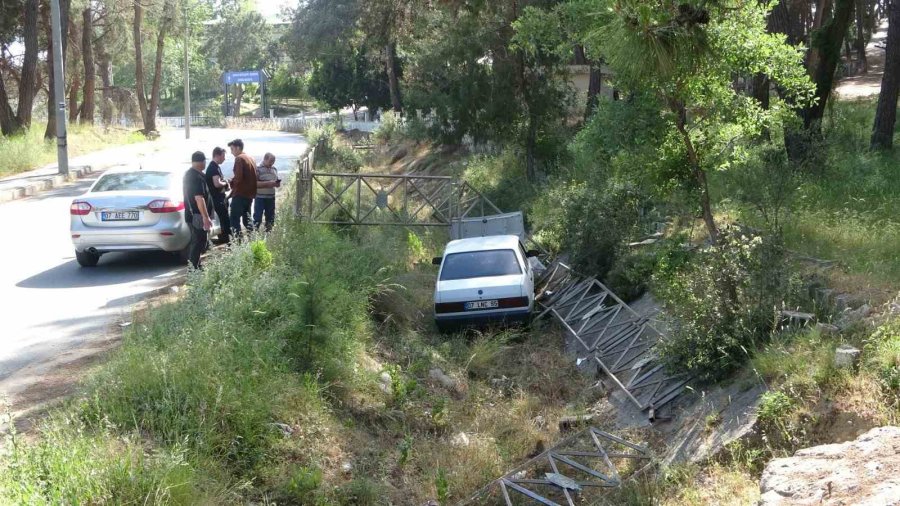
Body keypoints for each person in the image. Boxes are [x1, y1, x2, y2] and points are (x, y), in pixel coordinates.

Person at [183, 151, 214, 270]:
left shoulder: (191, 174)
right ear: (202, 162)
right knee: (198, 243)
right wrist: (205, 217)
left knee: (200, 242)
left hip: (195, 214)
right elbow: (199, 199)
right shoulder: (195, 177)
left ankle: (197, 265)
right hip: (197, 215)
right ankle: (193, 269)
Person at [227, 138, 257, 238]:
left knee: (234, 219)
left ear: (238, 148)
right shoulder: (251, 158)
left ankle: (238, 243)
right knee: (247, 220)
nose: (231, 152)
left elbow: (238, 178)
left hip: (240, 194)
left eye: (232, 149)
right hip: (249, 195)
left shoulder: (239, 158)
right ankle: (253, 241)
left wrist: (230, 183)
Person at [205, 146, 230, 244]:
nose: (224, 158)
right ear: (217, 155)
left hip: (218, 197)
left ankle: (223, 238)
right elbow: (217, 183)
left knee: (223, 219)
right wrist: (226, 183)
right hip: (216, 198)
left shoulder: (215, 167)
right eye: (223, 156)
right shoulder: (213, 167)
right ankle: (225, 239)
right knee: (224, 219)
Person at [253, 152, 280, 232]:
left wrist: (276, 184)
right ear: (265, 159)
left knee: (271, 217)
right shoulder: (257, 169)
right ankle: (255, 235)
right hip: (260, 198)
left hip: (271, 198)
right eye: (270, 161)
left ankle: (269, 235)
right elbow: (255, 184)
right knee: (257, 217)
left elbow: (276, 183)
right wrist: (269, 183)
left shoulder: (274, 169)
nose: (272, 163)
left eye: (273, 161)